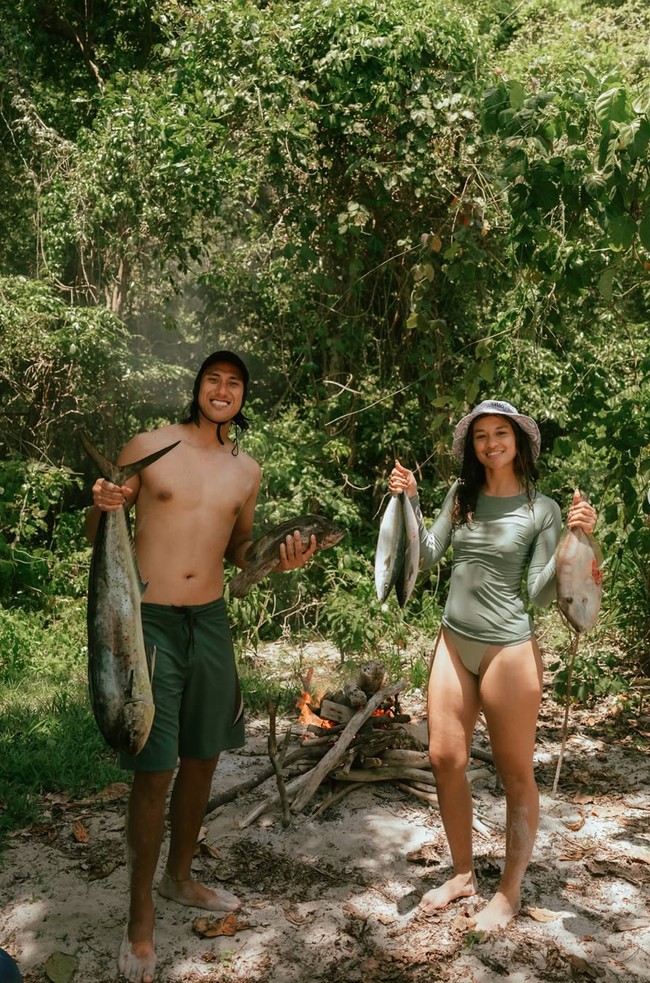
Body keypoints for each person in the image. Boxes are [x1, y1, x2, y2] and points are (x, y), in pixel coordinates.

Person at [85, 350, 317, 983]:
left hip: (210, 620)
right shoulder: (149, 445)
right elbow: (100, 523)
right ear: (197, 388)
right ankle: (139, 920)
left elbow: (242, 548)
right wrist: (104, 499)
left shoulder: (247, 470)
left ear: (243, 397)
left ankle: (180, 878)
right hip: (148, 623)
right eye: (213, 379)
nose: (223, 389)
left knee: (203, 756)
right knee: (153, 768)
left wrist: (277, 556)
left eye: (234, 382)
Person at [388, 398, 597, 933]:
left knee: (514, 772)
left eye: (500, 433)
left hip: (509, 649)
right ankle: (462, 873)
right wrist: (410, 500)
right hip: (454, 641)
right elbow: (429, 552)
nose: (490, 443)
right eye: (481, 435)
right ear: (472, 446)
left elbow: (541, 592)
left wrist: (575, 539)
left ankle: (509, 891)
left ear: (518, 441)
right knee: (443, 757)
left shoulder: (542, 507)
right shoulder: (462, 495)